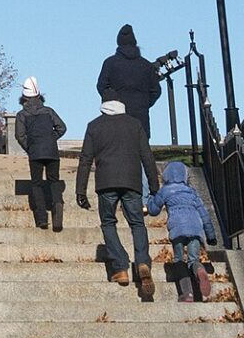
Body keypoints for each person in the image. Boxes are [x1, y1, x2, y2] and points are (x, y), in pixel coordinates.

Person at [73, 94, 161, 299]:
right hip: (132, 182)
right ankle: (142, 262)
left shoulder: (94, 126)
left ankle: (120, 267)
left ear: (103, 106)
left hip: (106, 183)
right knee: (137, 223)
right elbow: (147, 156)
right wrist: (154, 185)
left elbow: (85, 159)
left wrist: (80, 191)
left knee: (108, 223)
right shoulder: (134, 124)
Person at [146, 158, 221, 301]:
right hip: (195, 228)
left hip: (177, 228)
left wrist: (151, 198)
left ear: (166, 176)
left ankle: (187, 294)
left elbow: (153, 210)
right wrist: (211, 236)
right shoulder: (192, 192)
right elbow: (205, 215)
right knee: (193, 259)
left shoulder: (165, 191)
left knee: (179, 260)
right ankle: (199, 270)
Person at [14, 78, 68, 232]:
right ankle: (57, 209)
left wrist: (30, 147)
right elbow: (62, 127)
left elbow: (19, 135)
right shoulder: (49, 111)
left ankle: (42, 218)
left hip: (35, 152)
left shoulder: (22, 115)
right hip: (51, 151)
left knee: (37, 184)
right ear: (39, 95)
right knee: (54, 181)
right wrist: (51, 138)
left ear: (24, 97)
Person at [96, 24, 162, 119]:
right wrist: (143, 104)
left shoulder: (110, 63)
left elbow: (101, 86)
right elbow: (156, 91)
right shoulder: (146, 65)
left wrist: (112, 102)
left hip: (116, 116)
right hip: (141, 115)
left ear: (119, 42)